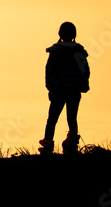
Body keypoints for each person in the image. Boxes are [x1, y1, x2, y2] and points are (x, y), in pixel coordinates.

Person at [39, 21, 90, 155]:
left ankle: (47, 146)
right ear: (74, 34)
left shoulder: (56, 51)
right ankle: (71, 145)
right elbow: (85, 70)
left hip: (58, 89)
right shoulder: (78, 51)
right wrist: (84, 85)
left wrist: (49, 86)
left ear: (60, 34)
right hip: (74, 90)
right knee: (72, 118)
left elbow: (49, 69)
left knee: (52, 119)